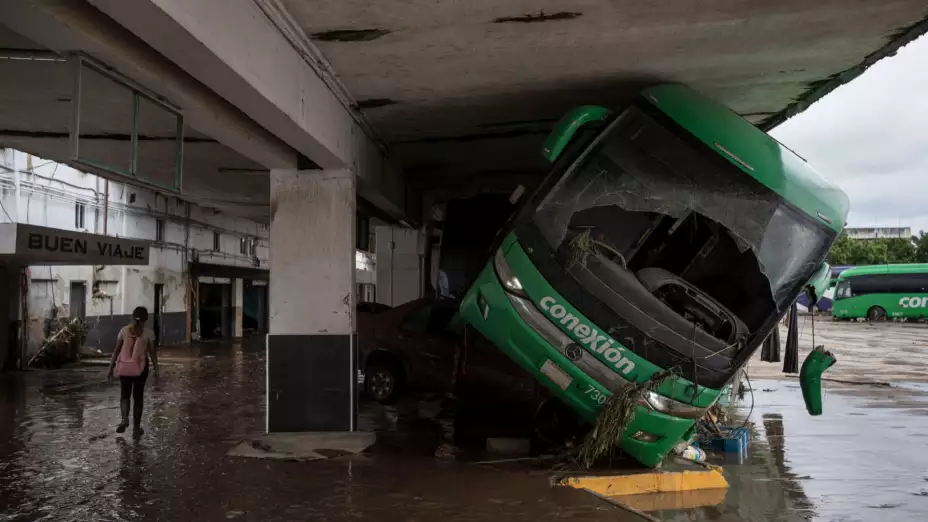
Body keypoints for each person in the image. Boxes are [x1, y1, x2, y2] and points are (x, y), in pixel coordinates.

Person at [107, 306, 159, 439]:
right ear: (146, 319)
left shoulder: (124, 330)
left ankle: (124, 420)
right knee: (138, 397)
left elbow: (116, 350)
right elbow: (153, 354)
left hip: (124, 368)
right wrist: (156, 369)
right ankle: (136, 427)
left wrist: (110, 368)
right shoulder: (148, 333)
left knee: (125, 395)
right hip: (140, 370)